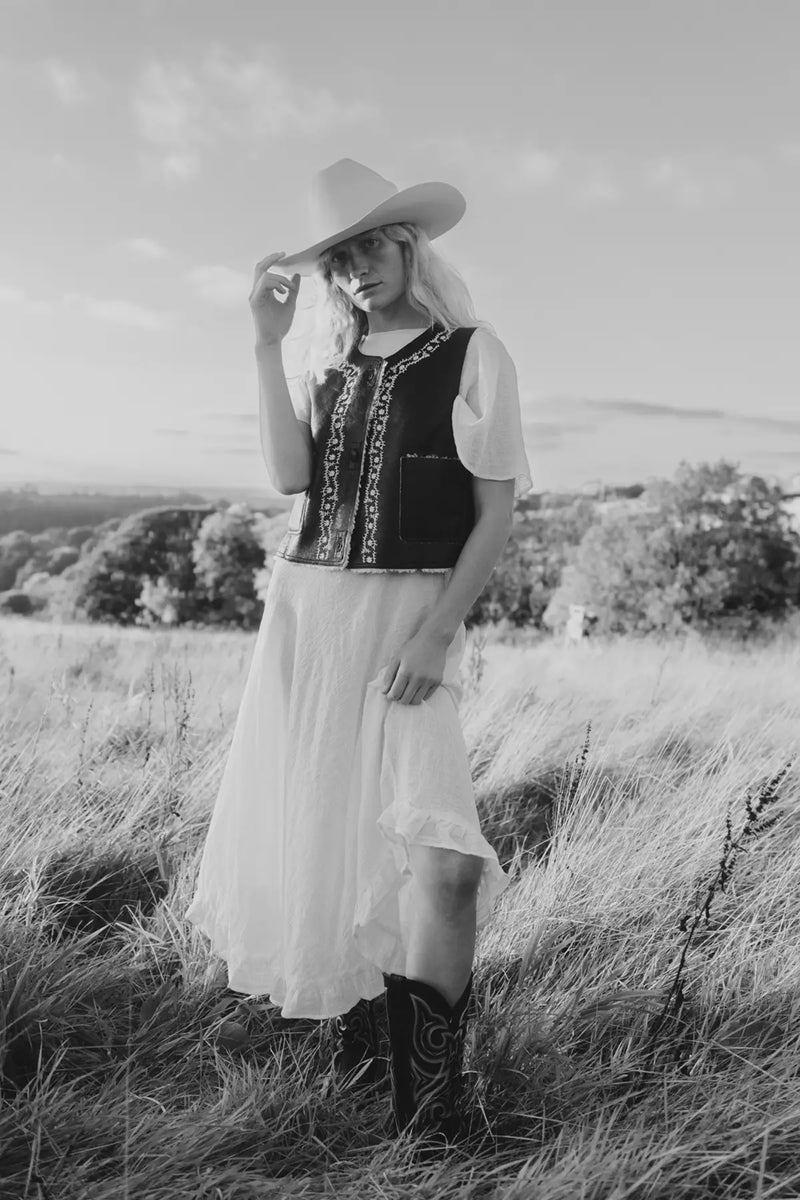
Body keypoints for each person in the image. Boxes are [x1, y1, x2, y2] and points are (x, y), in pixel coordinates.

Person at [185, 158, 533, 1146]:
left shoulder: (472, 353)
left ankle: (433, 1110)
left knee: (445, 862)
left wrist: (436, 631)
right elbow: (291, 475)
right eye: (337, 259)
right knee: (331, 831)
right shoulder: (322, 360)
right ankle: (375, 1056)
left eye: (369, 246)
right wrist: (264, 345)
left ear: (407, 243)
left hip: (408, 620)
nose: (354, 271)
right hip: (308, 614)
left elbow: (495, 505)